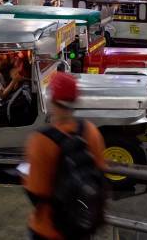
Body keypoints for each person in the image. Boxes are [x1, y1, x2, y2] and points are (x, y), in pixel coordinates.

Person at [24, 72, 106, 240]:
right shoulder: (91, 131)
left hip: (49, 229)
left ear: (52, 100)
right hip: (82, 224)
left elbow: (36, 191)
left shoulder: (41, 140)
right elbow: (100, 173)